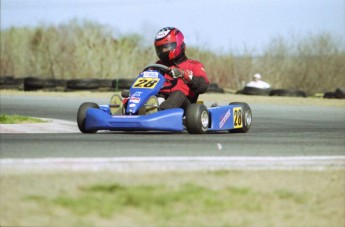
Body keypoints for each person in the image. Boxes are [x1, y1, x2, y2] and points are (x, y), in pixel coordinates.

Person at [153, 27, 209, 110]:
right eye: (160, 49)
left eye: (166, 47)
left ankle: (161, 113)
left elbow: (203, 86)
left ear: (178, 45)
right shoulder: (157, 66)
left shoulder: (194, 65)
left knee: (178, 94)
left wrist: (183, 74)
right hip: (159, 99)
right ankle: (131, 111)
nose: (163, 51)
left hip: (186, 108)